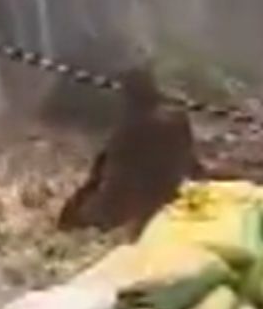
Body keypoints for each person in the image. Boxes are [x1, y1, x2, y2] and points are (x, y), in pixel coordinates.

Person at [59, 67, 197, 233]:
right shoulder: (177, 119)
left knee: (75, 218)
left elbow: (104, 174)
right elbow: (191, 164)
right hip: (167, 197)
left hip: (129, 203)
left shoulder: (130, 129)